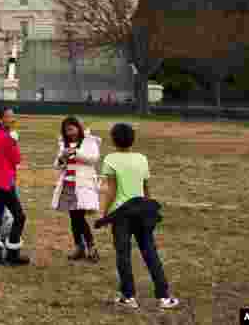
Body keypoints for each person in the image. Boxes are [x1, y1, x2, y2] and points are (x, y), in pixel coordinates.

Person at [95, 123, 180, 310]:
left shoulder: (110, 159)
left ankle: (128, 296)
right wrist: (150, 208)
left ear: (113, 139)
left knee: (123, 255)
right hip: (142, 212)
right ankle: (164, 297)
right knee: (150, 253)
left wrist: (103, 213)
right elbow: (146, 187)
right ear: (133, 139)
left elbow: (111, 190)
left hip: (121, 214)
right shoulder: (142, 158)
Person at [50, 116, 101, 262]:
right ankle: (80, 247)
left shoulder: (89, 141)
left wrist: (75, 153)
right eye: (67, 130)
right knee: (74, 217)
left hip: (83, 184)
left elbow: (94, 158)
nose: (70, 133)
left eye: (72, 129)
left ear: (79, 128)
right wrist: (62, 158)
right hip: (68, 184)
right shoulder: (64, 143)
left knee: (79, 216)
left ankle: (91, 247)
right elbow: (57, 165)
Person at [0, 106, 30, 267]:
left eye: (13, 116)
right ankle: (12, 254)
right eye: (8, 116)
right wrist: (14, 141)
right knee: (19, 216)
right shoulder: (6, 137)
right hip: (4, 182)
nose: (12, 118)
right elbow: (17, 159)